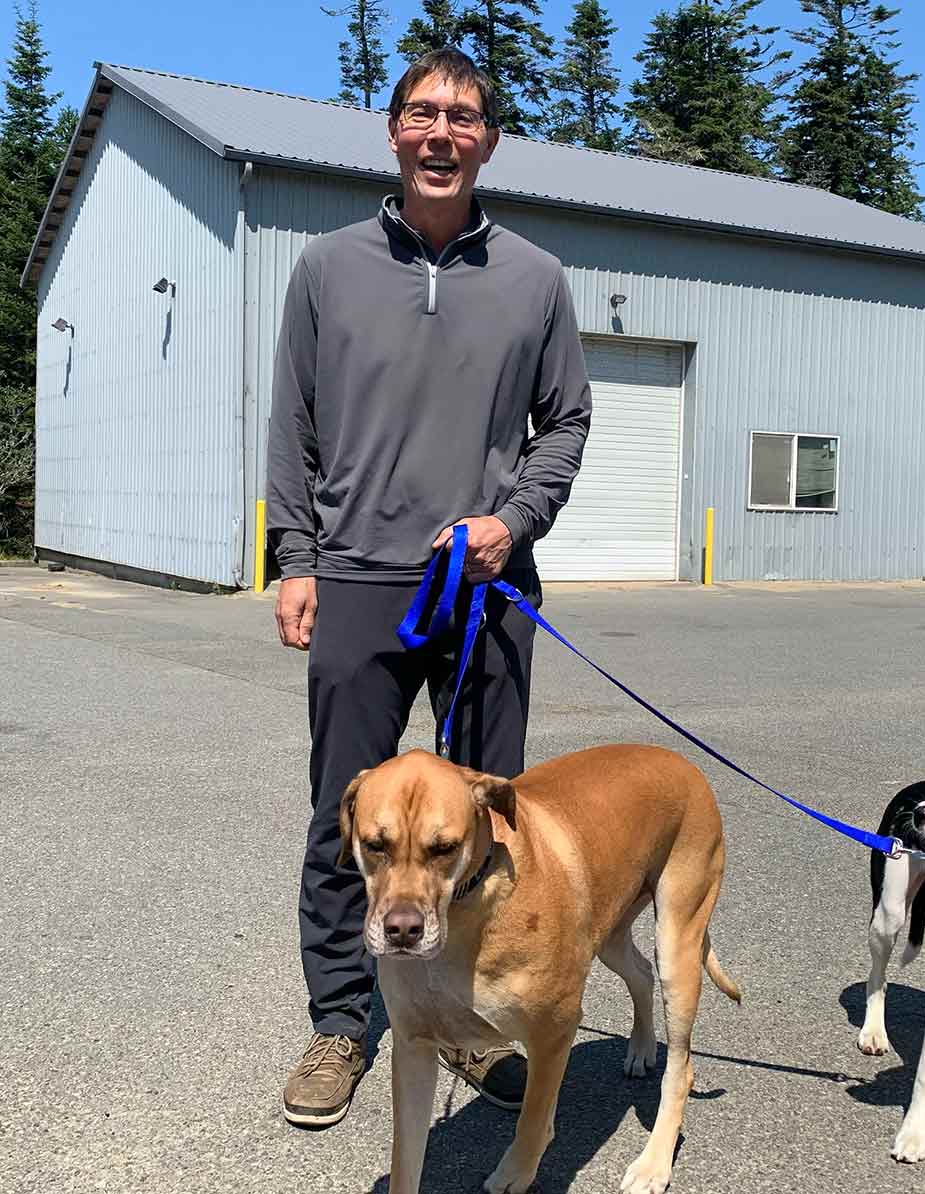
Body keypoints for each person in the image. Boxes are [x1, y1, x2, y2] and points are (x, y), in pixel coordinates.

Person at [265, 48, 591, 1129]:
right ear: (394, 133)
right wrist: (296, 557)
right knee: (343, 818)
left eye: (462, 116)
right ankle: (342, 1024)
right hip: (360, 576)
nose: (441, 132)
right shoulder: (327, 268)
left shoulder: (537, 279)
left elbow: (569, 423)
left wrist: (515, 519)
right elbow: (293, 428)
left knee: (490, 822)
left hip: (487, 584)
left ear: (489, 140)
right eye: (422, 114)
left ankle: (463, 1022)